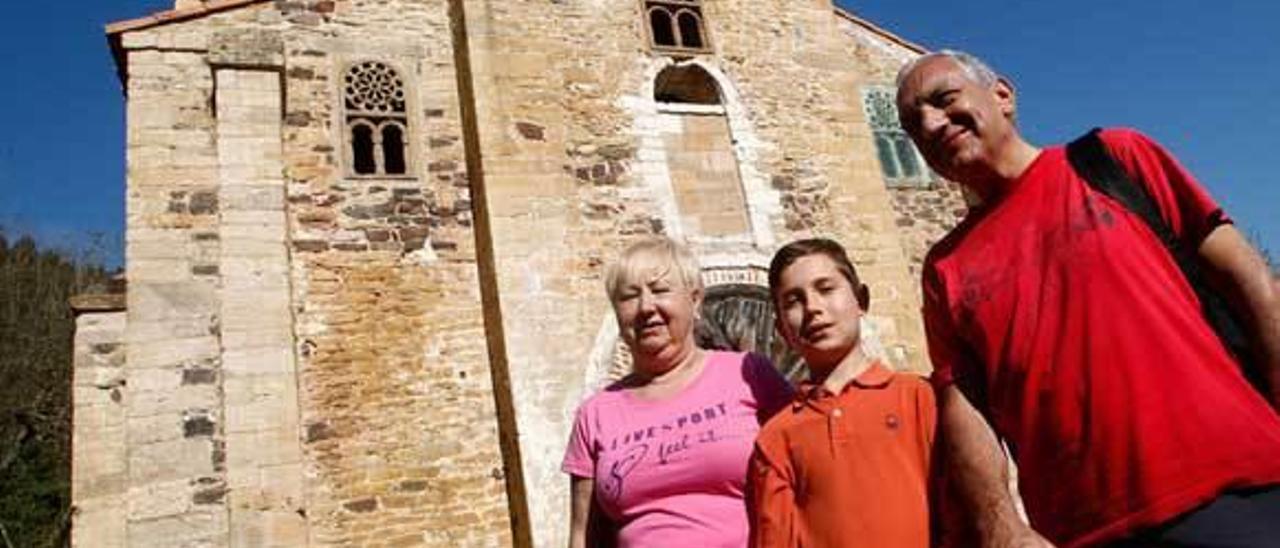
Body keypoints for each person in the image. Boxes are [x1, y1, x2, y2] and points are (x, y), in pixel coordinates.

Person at [895, 49, 1280, 547]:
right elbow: (964, 404)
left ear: (1003, 96)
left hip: (1239, 491)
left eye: (943, 99)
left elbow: (1251, 280)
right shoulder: (944, 268)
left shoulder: (1114, 158)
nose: (929, 123)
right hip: (1083, 532)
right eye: (912, 123)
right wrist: (1002, 528)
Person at [562, 236, 794, 548]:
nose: (646, 307)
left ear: (695, 300)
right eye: (629, 297)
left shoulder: (750, 374)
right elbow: (584, 538)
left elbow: (807, 479)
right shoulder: (596, 413)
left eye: (660, 291)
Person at [750, 238, 936, 548]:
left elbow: (961, 513)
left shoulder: (919, 398)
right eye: (793, 300)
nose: (813, 308)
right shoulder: (776, 437)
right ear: (783, 330)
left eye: (826, 289)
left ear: (860, 300)